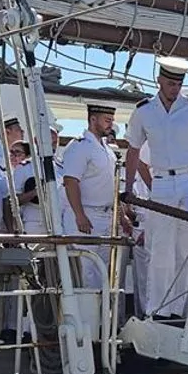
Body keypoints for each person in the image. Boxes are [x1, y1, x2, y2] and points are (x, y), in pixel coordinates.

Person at [123, 58, 188, 317]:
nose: (174, 88)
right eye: (170, 83)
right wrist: (129, 187)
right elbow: (133, 150)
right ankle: (159, 309)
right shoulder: (144, 110)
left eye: (178, 84)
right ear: (159, 81)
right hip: (163, 182)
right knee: (161, 247)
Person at [60, 102, 119, 294]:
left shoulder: (106, 150)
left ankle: (99, 322)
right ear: (93, 119)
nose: (110, 124)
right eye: (106, 120)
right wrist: (79, 215)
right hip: (86, 215)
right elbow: (70, 181)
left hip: (104, 217)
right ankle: (85, 322)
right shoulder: (80, 147)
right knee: (86, 273)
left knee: (103, 275)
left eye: (111, 120)